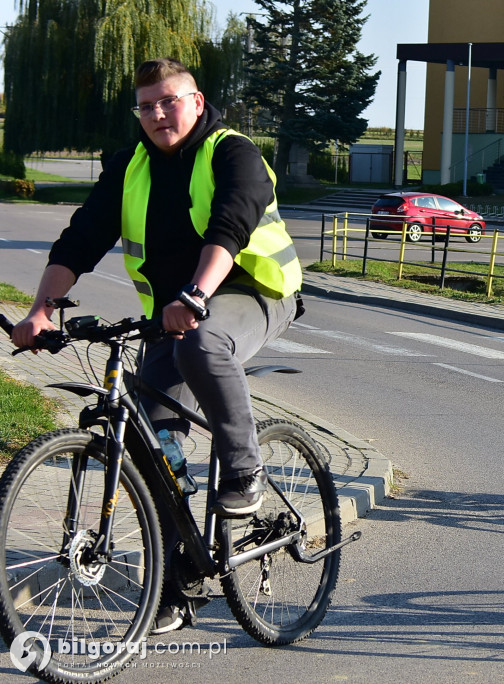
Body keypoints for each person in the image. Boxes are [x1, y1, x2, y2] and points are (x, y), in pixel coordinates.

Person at [9, 57, 303, 632]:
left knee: (203, 347)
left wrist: (194, 294)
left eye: (169, 100)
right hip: (173, 313)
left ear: (196, 101)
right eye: (146, 105)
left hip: (251, 289)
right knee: (148, 442)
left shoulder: (231, 151)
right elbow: (82, 237)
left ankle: (245, 470)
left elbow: (232, 222)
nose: (158, 113)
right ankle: (175, 582)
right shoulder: (130, 164)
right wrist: (41, 309)